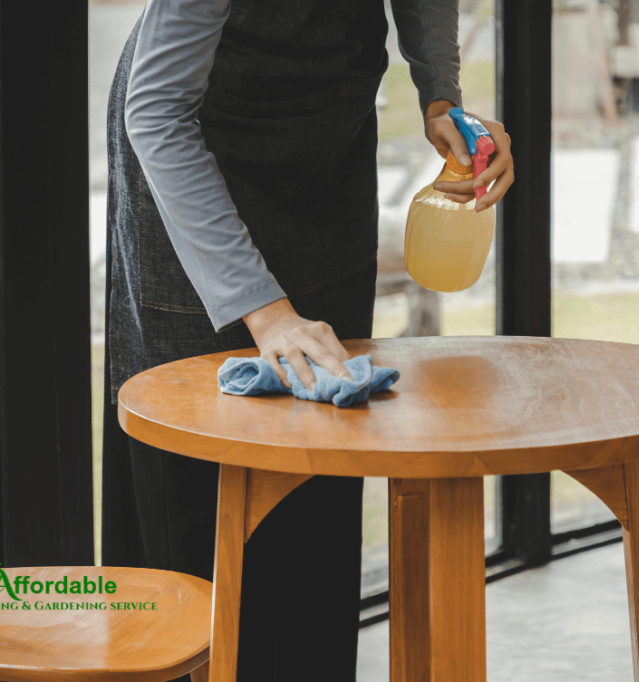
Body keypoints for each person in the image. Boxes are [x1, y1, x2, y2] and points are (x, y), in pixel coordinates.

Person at [102, 0, 514, 679]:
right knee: (197, 503)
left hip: (325, 149)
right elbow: (155, 113)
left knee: (323, 467)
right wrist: (263, 310)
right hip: (193, 160)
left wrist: (441, 96)